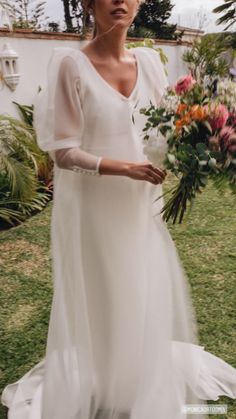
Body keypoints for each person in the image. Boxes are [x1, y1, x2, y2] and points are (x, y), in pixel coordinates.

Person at [1, 1, 236, 418]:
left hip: (139, 203)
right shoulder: (71, 64)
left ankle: (140, 375)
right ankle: (110, 381)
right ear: (89, 4)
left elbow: (166, 129)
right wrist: (123, 167)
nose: (119, 2)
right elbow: (62, 151)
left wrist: (206, 141)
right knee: (105, 290)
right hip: (95, 204)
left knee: (140, 284)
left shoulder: (148, 63)